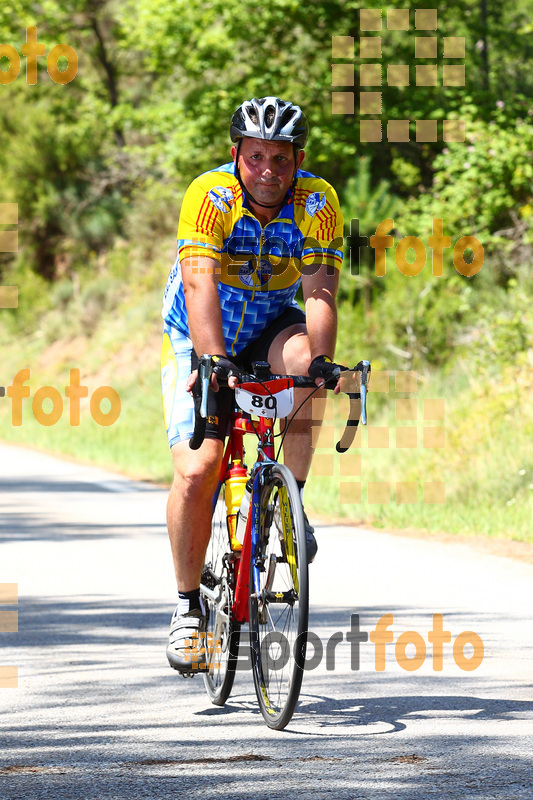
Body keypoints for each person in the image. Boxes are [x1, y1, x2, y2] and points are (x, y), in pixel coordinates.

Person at [160, 96, 346, 673]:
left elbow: (318, 290)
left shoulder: (317, 201)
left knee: (305, 372)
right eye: (257, 156)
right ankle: (188, 609)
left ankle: (291, 503)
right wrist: (212, 360)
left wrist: (321, 361)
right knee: (199, 469)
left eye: (281, 158)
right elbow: (199, 285)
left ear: (299, 160)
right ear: (236, 154)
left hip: (268, 324)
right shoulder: (210, 196)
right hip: (200, 329)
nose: (269, 170)